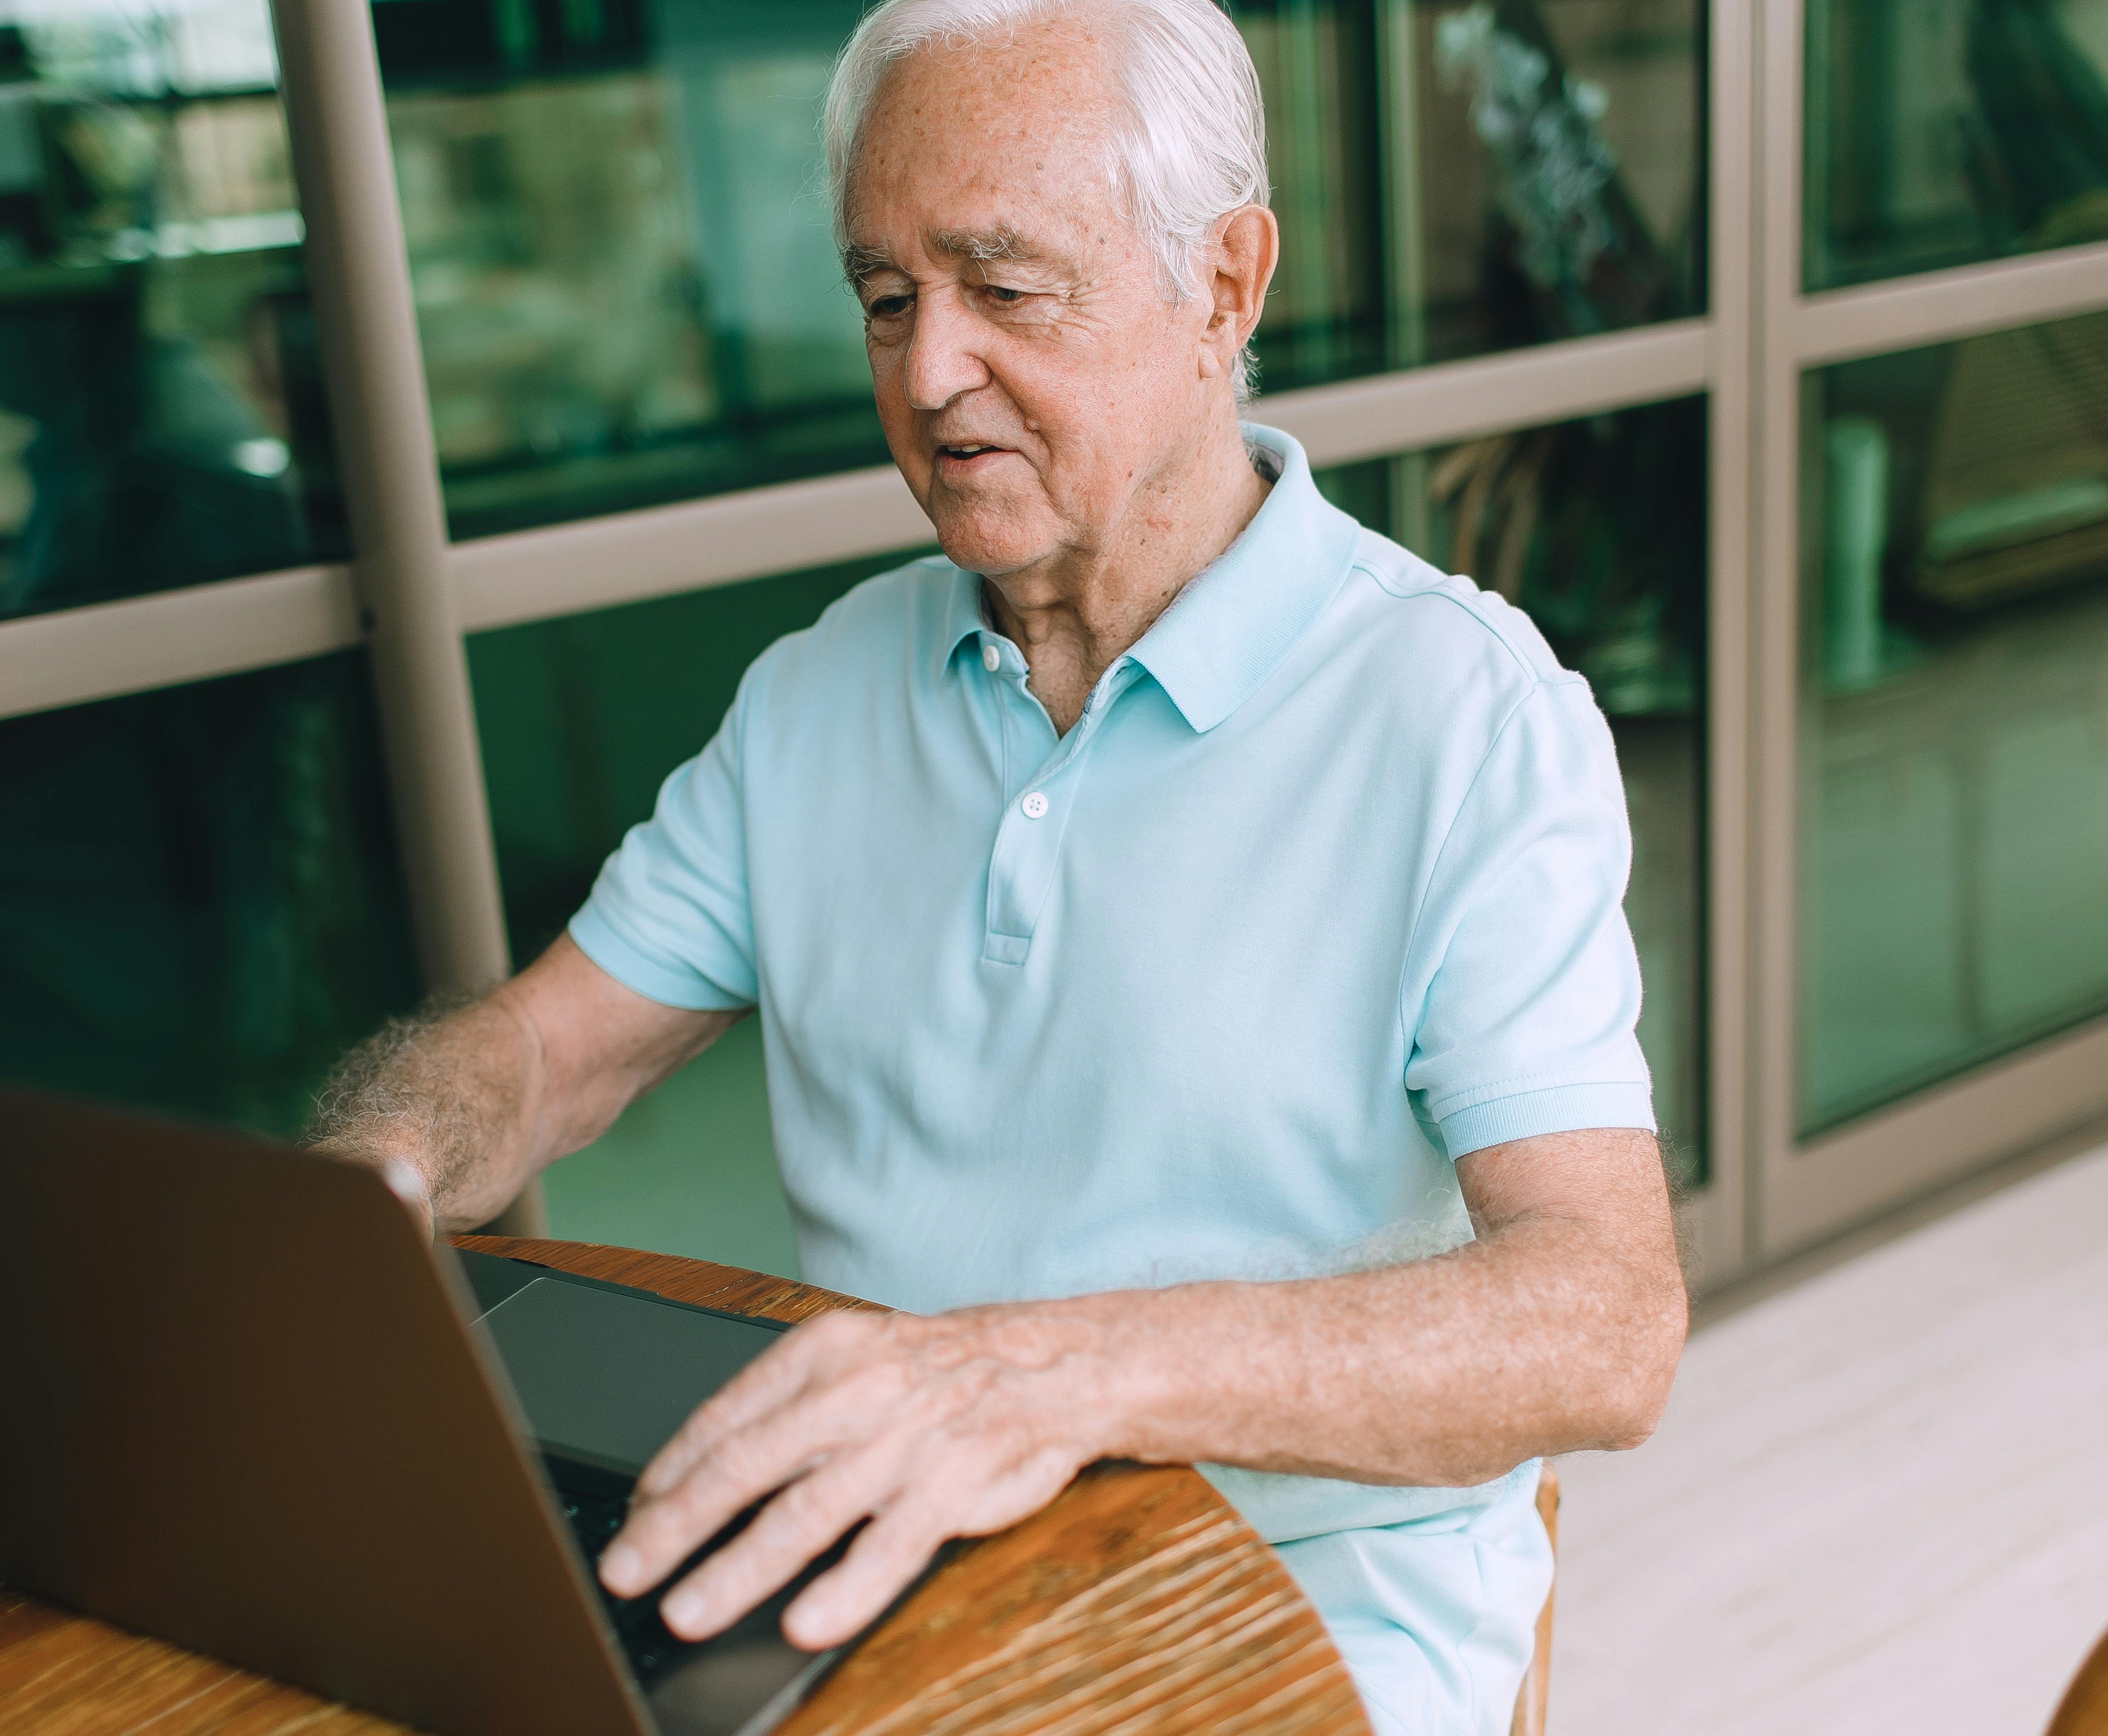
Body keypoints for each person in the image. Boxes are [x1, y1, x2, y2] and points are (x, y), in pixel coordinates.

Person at [310, 1, 1686, 1729]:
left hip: (1296, 1598)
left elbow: (1602, 1323)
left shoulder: (1464, 713)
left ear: (1225, 285)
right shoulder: (814, 693)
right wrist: (352, 1186)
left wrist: (1044, 1378)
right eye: (887, 299)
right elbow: (535, 1051)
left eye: (1005, 287)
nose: (928, 371)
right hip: (869, 1561)